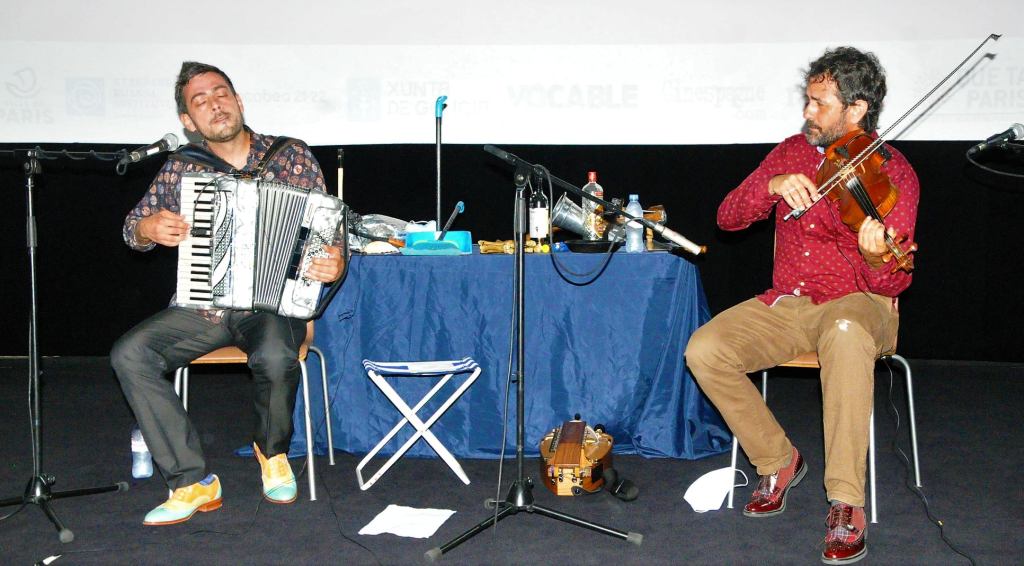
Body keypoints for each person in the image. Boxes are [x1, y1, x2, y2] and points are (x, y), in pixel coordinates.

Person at [685, 47, 918, 565]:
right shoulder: (791, 152)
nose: (808, 112)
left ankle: (846, 503)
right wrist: (770, 186)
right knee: (705, 348)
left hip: (862, 304)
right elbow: (727, 217)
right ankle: (778, 459)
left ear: (856, 109)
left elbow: (895, 280)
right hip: (790, 302)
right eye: (807, 100)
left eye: (820, 103)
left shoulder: (894, 173)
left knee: (843, 331)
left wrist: (873, 253)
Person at [111, 61, 344, 526]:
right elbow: (132, 228)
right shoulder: (182, 167)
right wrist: (148, 228)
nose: (214, 105)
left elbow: (331, 233)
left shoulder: (291, 156)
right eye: (200, 101)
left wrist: (335, 260)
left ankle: (272, 452)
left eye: (221, 94)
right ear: (188, 121)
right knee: (129, 354)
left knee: (275, 354)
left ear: (238, 101)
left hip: (272, 305)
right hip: (204, 307)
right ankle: (191, 481)